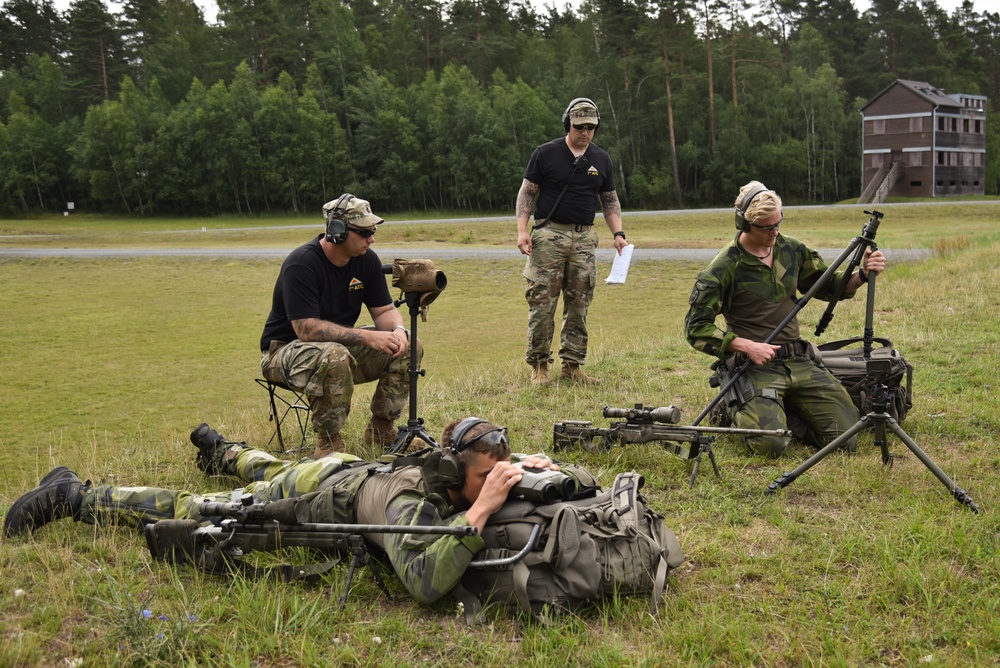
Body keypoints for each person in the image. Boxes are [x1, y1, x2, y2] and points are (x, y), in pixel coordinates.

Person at [3, 419, 559, 606]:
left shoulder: (450, 470)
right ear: (453, 469)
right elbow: (424, 582)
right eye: (486, 477)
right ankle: (75, 495)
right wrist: (482, 509)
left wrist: (525, 472)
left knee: (268, 470)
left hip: (341, 468)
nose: (496, 486)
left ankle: (219, 448)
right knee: (205, 506)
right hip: (321, 490)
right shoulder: (408, 501)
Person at [684, 181, 887, 458]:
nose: (775, 232)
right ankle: (737, 406)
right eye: (766, 228)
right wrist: (746, 346)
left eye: (778, 223)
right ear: (744, 225)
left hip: (798, 360)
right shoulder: (724, 267)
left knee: (847, 439)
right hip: (754, 366)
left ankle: (780, 407)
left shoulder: (791, 249)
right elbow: (696, 328)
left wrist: (862, 275)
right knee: (771, 446)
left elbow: (827, 287)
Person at [259, 194, 420, 458]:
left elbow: (385, 310)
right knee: (335, 354)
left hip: (336, 350)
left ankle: (381, 429)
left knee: (410, 344)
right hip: (284, 352)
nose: (372, 238)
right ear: (337, 231)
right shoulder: (301, 264)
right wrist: (368, 338)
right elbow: (306, 330)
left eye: (374, 230)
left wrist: (398, 332)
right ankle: (328, 443)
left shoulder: (367, 260)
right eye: (365, 232)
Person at [515, 97, 628, 386]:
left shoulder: (601, 159)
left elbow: (609, 200)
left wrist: (618, 234)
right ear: (569, 123)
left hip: (584, 238)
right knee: (542, 304)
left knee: (580, 303)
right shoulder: (546, 153)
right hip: (549, 236)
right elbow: (527, 193)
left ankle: (572, 366)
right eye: (580, 126)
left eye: (591, 127)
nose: (585, 132)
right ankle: (539, 366)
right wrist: (522, 230)